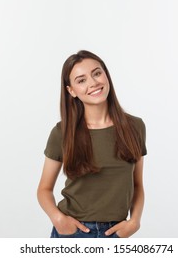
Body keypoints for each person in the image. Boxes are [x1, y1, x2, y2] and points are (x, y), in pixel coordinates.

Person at [37, 50, 147, 238]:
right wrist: (58, 219)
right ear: (71, 90)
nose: (93, 83)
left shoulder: (134, 127)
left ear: (106, 75)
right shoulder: (62, 133)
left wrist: (135, 221)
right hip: (73, 232)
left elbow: (137, 184)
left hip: (116, 233)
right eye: (81, 80)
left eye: (96, 73)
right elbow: (44, 190)